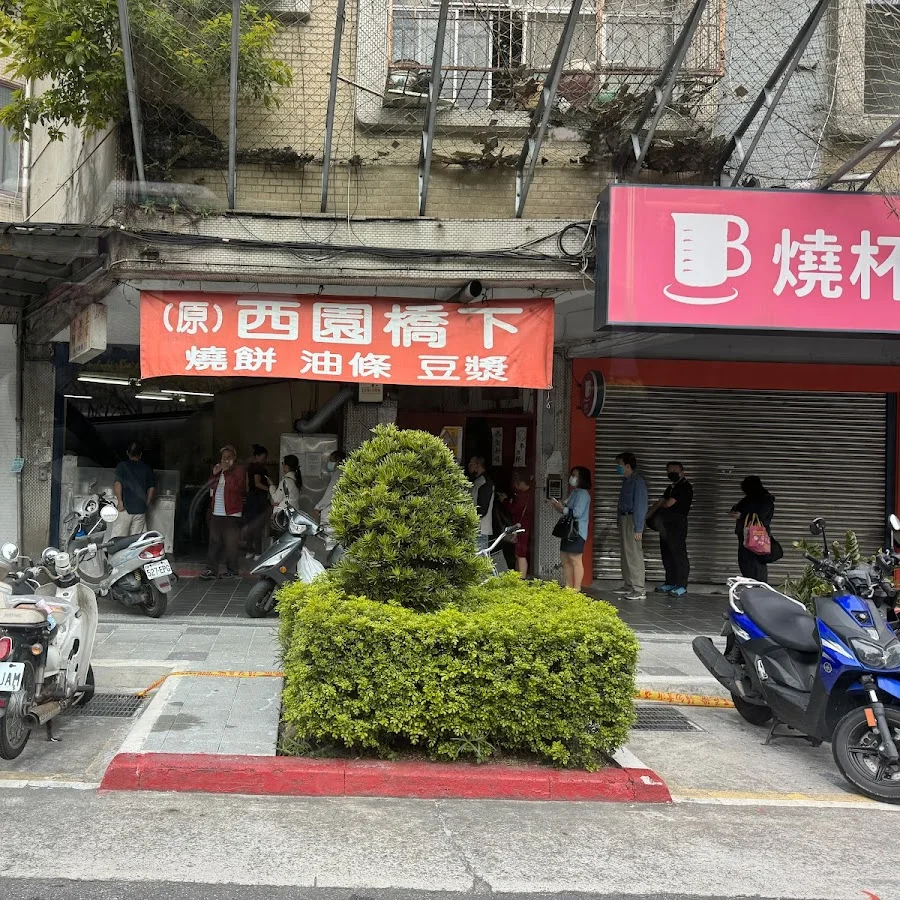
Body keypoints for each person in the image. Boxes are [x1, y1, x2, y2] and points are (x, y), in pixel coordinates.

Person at [647, 461, 693, 597]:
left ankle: (681, 585)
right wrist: (646, 516)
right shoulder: (671, 487)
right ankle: (670, 582)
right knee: (667, 554)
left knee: (678, 555)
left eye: (675, 470)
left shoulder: (685, 487)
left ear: (682, 472)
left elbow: (667, 503)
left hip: (677, 524)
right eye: (669, 470)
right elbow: (660, 502)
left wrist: (659, 507)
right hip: (665, 525)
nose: (672, 472)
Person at [201, 445, 245, 580]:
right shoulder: (220, 471)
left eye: (228, 457)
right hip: (217, 512)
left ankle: (232, 571)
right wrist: (214, 474)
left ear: (234, 458)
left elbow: (236, 488)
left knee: (230, 544)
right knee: (214, 542)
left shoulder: (239, 470)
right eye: (223, 458)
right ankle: (211, 570)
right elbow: (210, 488)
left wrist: (226, 472)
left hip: (231, 514)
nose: (225, 460)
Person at [549, 466, 591, 591]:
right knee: (565, 558)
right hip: (569, 530)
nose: (571, 478)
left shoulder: (583, 494)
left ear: (582, 478)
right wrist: (560, 505)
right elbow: (567, 507)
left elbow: (577, 513)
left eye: (575, 475)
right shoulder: (575, 492)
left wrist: (562, 509)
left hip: (577, 531)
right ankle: (568, 586)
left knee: (575, 559)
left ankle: (576, 588)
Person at [615, 451, 648, 601]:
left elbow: (641, 505)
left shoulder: (637, 481)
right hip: (624, 518)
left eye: (619, 465)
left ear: (627, 465)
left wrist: (639, 528)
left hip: (632, 519)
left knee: (634, 553)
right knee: (625, 553)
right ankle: (628, 584)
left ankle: (639, 588)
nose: (618, 467)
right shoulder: (626, 481)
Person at [732, 475, 776, 583]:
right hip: (746, 536)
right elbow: (739, 507)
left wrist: (742, 516)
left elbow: (761, 515)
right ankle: (751, 585)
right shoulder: (749, 498)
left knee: (756, 564)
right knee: (745, 563)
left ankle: (759, 588)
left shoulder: (764, 499)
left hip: (757, 536)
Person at [111, 441, 156, 538]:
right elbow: (151, 488)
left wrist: (120, 501)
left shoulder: (121, 466)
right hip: (140, 509)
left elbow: (117, 483)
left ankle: (117, 554)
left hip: (124, 508)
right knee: (137, 540)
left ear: (127, 453)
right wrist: (146, 503)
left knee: (119, 538)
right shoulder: (147, 468)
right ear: (141, 454)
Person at [500, 470, 534, 577]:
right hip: (524, 527)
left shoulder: (523, 496)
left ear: (523, 483)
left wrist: (505, 501)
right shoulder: (530, 494)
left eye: (517, 482)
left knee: (521, 554)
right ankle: (518, 578)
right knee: (518, 554)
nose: (515, 485)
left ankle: (521, 579)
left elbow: (513, 509)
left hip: (521, 527)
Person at [243, 444, 270, 559]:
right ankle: (258, 553)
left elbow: (247, 485)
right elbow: (258, 483)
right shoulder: (259, 468)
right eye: (263, 457)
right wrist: (271, 489)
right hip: (258, 499)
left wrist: (247, 496)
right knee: (258, 526)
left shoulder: (249, 467)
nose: (265, 460)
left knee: (250, 525)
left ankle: (249, 551)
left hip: (250, 498)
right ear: (257, 456)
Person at [315, 450, 345, 550]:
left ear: (338, 461)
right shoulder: (341, 472)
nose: (329, 463)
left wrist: (318, 507)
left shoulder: (339, 473)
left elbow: (330, 494)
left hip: (333, 515)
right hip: (336, 514)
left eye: (331, 460)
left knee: (332, 545)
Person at [467, 455, 495, 551]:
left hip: (480, 530)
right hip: (476, 529)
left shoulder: (485, 483)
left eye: (471, 464)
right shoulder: (478, 481)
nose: (469, 466)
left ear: (478, 465)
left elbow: (482, 509)